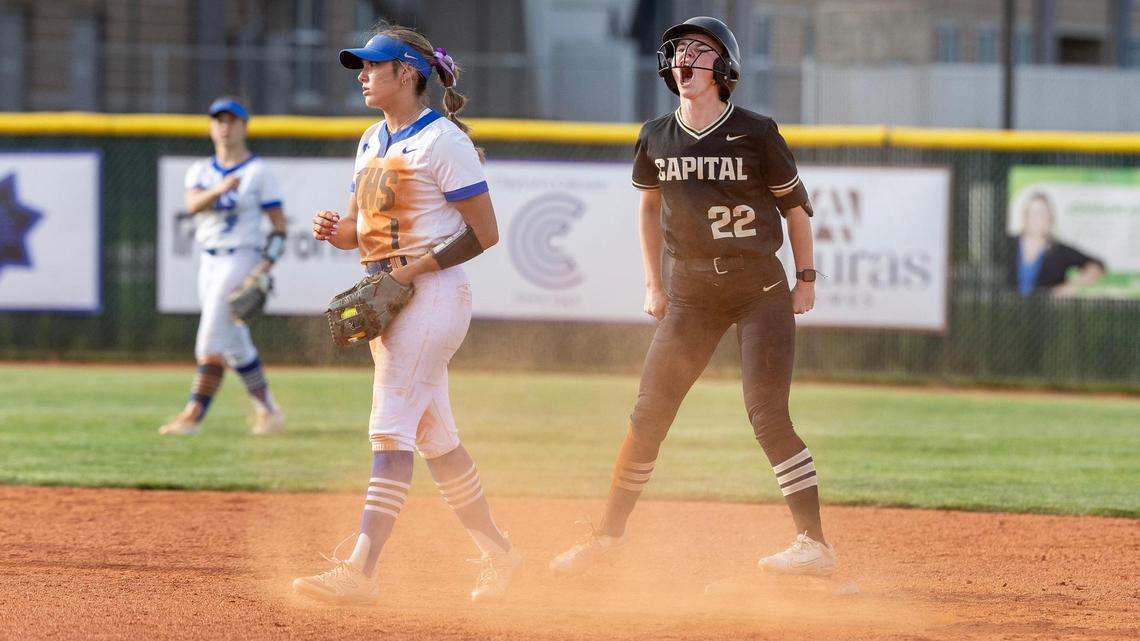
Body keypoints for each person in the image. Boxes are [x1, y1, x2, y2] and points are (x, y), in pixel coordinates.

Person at [549, 17, 836, 577]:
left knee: (767, 416)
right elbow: (650, 208)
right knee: (648, 413)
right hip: (692, 292)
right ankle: (607, 541)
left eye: (700, 52)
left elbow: (795, 209)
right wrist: (653, 282)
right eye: (679, 50)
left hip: (759, 288)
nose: (685, 60)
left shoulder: (756, 131)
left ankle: (815, 546)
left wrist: (806, 280)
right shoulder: (655, 134)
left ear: (724, 68)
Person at [291, 24, 520, 605]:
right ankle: (499, 554)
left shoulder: (442, 141)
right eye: (361, 67)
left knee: (389, 429)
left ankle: (360, 571)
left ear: (408, 73)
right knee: (436, 439)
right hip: (387, 289)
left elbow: (485, 234)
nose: (363, 75)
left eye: (373, 65)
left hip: (433, 294)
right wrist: (335, 232)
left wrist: (408, 273)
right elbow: (358, 233)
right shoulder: (372, 139)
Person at [159, 97, 287, 436]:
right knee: (235, 345)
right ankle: (270, 411)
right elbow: (192, 205)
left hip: (241, 257)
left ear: (244, 126)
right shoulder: (201, 171)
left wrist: (264, 266)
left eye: (232, 120)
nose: (225, 127)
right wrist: (220, 188)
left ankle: (192, 417)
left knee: (209, 341)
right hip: (209, 259)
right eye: (219, 120)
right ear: (211, 126)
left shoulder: (258, 171)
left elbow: (278, 226)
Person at [1009, 192, 1105, 296]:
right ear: (1024, 215)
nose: (1035, 218)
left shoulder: (1059, 250)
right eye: (1031, 212)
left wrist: (1071, 285)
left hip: (1045, 309)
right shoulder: (1007, 244)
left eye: (1040, 213)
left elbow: (1097, 265)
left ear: (1049, 218)